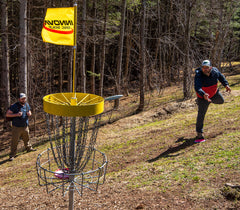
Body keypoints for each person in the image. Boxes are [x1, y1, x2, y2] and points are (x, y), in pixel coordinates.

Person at [194, 60, 231, 143]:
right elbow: (197, 87)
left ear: (210, 67)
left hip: (214, 94)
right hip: (203, 98)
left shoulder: (215, 71)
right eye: (203, 67)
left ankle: (209, 101)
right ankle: (199, 135)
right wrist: (203, 94)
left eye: (207, 68)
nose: (205, 69)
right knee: (201, 114)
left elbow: (221, 77)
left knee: (221, 101)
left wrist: (226, 85)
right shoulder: (199, 75)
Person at [6, 93, 36, 161]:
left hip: (25, 126)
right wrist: (16, 114)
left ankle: (29, 149)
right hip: (16, 127)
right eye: (22, 98)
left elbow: (29, 111)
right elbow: (8, 114)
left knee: (27, 138)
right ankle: (12, 155)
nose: (23, 100)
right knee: (15, 141)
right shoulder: (14, 106)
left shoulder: (26, 104)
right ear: (19, 99)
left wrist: (30, 113)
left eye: (24, 98)